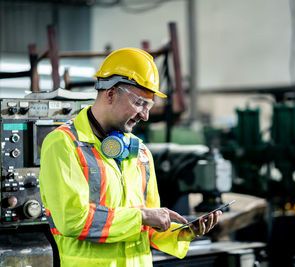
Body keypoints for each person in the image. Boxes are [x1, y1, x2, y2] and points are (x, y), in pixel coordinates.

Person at [39, 47, 221, 266]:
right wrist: (143, 216)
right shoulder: (63, 144)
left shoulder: (140, 153)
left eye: (149, 105)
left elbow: (147, 228)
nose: (144, 115)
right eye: (139, 103)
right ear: (110, 93)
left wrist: (182, 232)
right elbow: (72, 221)